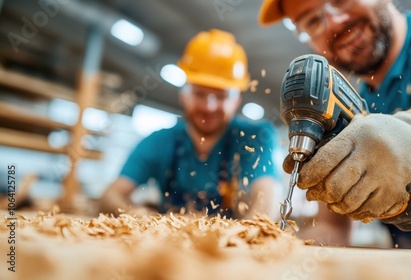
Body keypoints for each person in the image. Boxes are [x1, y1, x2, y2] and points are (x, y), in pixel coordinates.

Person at [258, 0, 411, 253]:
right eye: (312, 21)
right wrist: (273, 249)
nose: (335, 22)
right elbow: (334, 229)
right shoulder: (343, 108)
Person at [100, 29, 282, 220]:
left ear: (237, 101)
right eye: (199, 94)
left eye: (221, 96)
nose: (209, 107)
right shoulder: (159, 141)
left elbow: (268, 199)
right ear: (183, 94)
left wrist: (247, 236)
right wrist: (135, 215)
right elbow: (110, 196)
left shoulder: (254, 137)